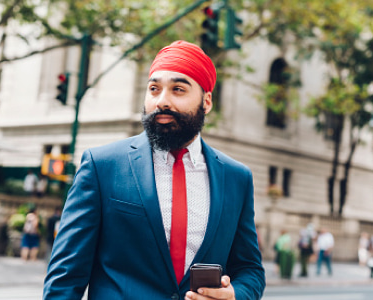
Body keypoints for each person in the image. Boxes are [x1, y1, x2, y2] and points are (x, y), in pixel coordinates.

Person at [43, 40, 265, 300]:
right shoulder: (102, 166)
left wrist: (235, 294)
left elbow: (250, 269)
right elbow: (65, 277)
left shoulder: (236, 178)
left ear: (206, 102)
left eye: (178, 90)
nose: (162, 101)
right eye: (154, 89)